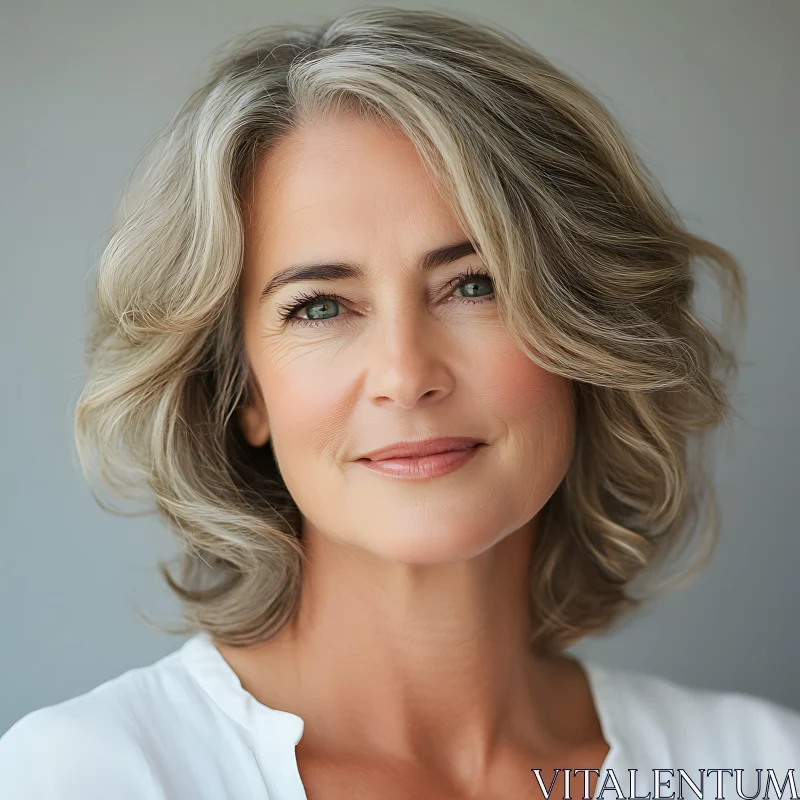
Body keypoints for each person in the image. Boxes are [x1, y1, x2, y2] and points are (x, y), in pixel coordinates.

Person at [2, 7, 798, 799]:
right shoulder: (93, 776)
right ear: (243, 392)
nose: (406, 373)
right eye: (319, 306)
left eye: (474, 285)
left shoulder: (758, 767)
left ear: (586, 335)